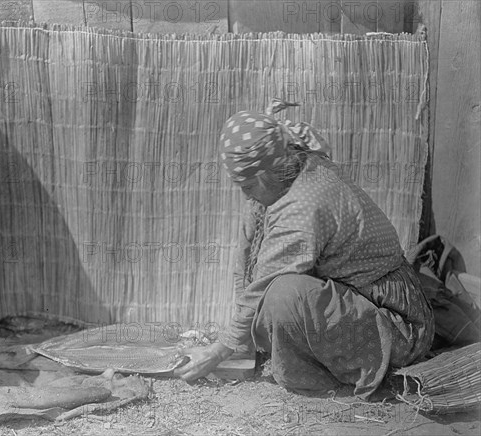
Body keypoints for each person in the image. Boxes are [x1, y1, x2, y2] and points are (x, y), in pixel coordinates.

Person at [173, 101, 434, 400]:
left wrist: (218, 352)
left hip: (395, 324)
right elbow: (248, 254)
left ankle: (332, 379)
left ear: (261, 176)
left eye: (244, 185)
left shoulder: (305, 206)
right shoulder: (289, 165)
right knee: (256, 229)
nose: (243, 193)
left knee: (283, 298)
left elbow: (262, 286)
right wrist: (238, 341)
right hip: (356, 301)